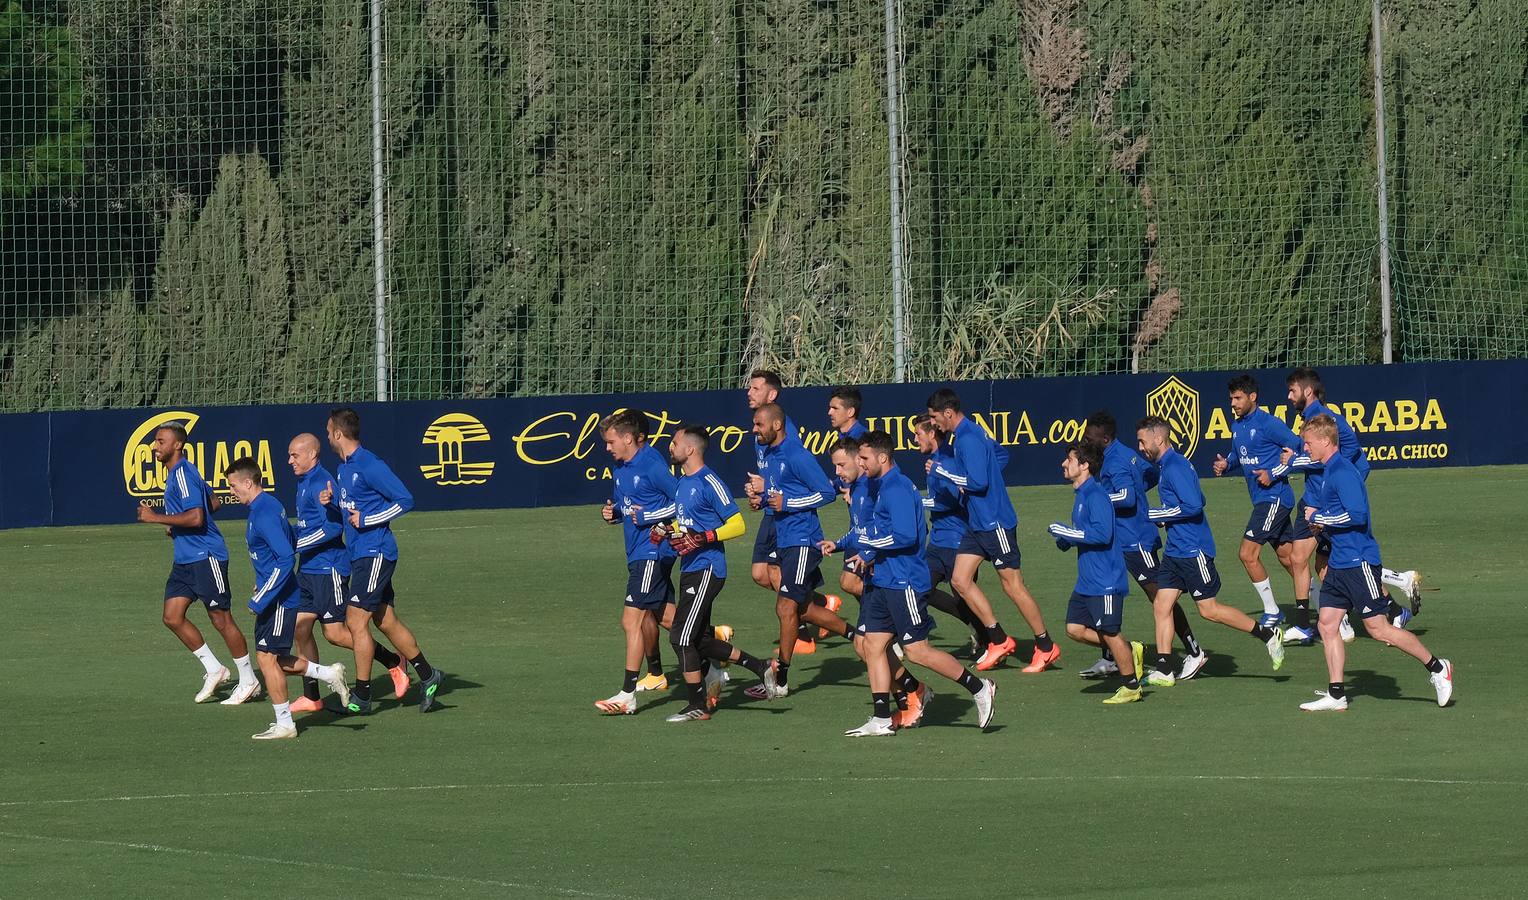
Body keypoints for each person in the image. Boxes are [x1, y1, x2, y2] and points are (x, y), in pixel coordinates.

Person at [828, 431, 996, 737]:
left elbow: (905, 536)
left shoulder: (897, 489)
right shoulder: (877, 485)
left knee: (917, 651)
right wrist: (841, 545)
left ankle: (980, 687)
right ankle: (881, 718)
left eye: (864, 458)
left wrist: (870, 544)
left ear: (882, 457)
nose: (860, 464)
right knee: (871, 645)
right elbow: (868, 529)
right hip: (881, 579)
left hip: (903, 581)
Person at [1294, 415, 1452, 711]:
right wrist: (1321, 522)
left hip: (1360, 562)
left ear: (1326, 440)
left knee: (1378, 629)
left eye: (1308, 441)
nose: (1305, 446)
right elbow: (1338, 516)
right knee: (1327, 625)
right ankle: (1337, 694)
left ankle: (1437, 668)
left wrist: (1318, 518)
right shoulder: (1328, 471)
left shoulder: (1342, 472)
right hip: (1339, 563)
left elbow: (1357, 516)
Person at [1136, 416, 1286, 683]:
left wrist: (1159, 514)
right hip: (1175, 551)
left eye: (1142, 441)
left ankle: (1267, 634)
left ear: (1159, 439)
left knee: (1209, 610)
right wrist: (1165, 515)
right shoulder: (1171, 465)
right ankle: (1165, 668)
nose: (1140, 447)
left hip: (1194, 551)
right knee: (1161, 604)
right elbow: (1199, 497)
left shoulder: (1174, 467)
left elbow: (1194, 505)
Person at [1282, 368, 1423, 634]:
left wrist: (1296, 465)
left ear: (1307, 391)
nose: (1289, 396)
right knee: (1318, 562)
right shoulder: (1311, 418)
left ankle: (1320, 623)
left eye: (1293, 390)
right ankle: (1392, 605)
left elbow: (1351, 459)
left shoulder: (1326, 420)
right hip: (1315, 501)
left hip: (1323, 505)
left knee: (1325, 561)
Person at [926, 388, 1056, 672]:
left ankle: (1046, 646)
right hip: (977, 523)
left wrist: (944, 472)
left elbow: (979, 483)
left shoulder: (969, 438)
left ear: (948, 413)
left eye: (935, 418)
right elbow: (999, 456)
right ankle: (997, 639)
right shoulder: (968, 434)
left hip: (995, 522)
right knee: (960, 580)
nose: (933, 424)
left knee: (1013, 586)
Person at [327, 407, 444, 713]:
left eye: (329, 432)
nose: (328, 437)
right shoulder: (343, 468)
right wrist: (329, 504)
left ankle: (363, 697)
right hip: (361, 555)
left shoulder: (369, 464)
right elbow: (348, 511)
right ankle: (429, 676)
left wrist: (367, 519)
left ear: (338, 434)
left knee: (355, 620)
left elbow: (405, 500)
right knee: (386, 621)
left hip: (375, 551)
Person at [660, 424, 780, 722]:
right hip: (690, 568)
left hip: (708, 569)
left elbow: (737, 523)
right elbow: (689, 524)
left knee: (680, 637)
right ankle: (760, 666)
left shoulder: (709, 481)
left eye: (674, 442)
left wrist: (703, 538)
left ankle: (696, 704)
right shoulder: (682, 483)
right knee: (698, 638)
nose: (670, 447)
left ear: (690, 449)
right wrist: (666, 530)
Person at [134, 422, 260, 705]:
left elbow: (198, 517)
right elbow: (213, 503)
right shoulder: (183, 473)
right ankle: (215, 669)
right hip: (186, 559)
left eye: (161, 441)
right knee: (172, 616)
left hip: (206, 556)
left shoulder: (182, 474)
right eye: (155, 441)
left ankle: (249, 679)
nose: (156, 446)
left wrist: (157, 518)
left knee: (221, 618)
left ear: (177, 445)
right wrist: (176, 523)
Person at [224, 457, 350, 740]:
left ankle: (286, 724)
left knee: (267, 658)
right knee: (271, 658)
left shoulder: (264, 513)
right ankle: (328, 674)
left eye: (233, 486)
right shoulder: (265, 506)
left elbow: (284, 559)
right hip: (274, 594)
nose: (232, 491)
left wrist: (262, 597)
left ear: (248, 482)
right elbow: (283, 548)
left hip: (280, 598)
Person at [286, 433, 409, 714]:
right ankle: (312, 696)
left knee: (336, 633)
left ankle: (393, 662)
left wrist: (295, 545)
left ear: (312, 455)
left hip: (328, 568)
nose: (289, 460)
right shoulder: (303, 483)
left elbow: (333, 528)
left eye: (295, 455)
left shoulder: (321, 481)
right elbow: (307, 526)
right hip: (306, 568)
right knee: (300, 628)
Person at [1081, 411, 1205, 681]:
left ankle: (1194, 651)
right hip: (1118, 539)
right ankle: (1111, 657)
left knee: (1160, 597)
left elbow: (1126, 498)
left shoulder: (1116, 461)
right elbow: (1148, 475)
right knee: (1108, 593)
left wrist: (1102, 499)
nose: (1085, 442)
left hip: (1135, 540)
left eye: (1089, 438)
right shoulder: (1119, 456)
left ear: (1104, 438)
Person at [753, 402, 854, 696]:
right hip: (783, 539)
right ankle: (857, 635)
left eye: (759, 424)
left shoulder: (797, 455)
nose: (754, 429)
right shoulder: (770, 455)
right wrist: (762, 498)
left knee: (785, 606)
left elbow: (825, 493)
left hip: (802, 540)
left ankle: (780, 678)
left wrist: (789, 503)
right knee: (805, 609)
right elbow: (780, 493)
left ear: (776, 425)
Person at [742, 371, 838, 655]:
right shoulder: (760, 429)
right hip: (774, 513)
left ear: (772, 396)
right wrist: (760, 494)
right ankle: (820, 604)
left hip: (790, 520)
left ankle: (802, 635)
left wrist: (778, 496)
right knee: (761, 574)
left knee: (774, 575)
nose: (749, 392)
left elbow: (798, 478)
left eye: (756, 388)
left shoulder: (784, 434)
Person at [594, 409, 681, 714]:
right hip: (637, 552)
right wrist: (614, 513)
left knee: (631, 620)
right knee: (666, 617)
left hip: (653, 551)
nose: (607, 448)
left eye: (610, 441)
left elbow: (681, 501)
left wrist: (648, 517)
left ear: (628, 439)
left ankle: (627, 693)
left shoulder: (652, 464)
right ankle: (718, 653)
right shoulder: (621, 468)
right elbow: (629, 505)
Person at [1047, 442, 1145, 704]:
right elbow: (1086, 532)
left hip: (1105, 581)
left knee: (1111, 633)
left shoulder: (1096, 495)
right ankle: (1126, 648)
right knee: (1074, 629)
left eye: (1069, 459)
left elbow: (1102, 535)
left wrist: (1067, 532)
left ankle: (1131, 686)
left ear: (1085, 465)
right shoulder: (1081, 495)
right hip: (1087, 580)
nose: (1063, 464)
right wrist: (1066, 540)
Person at [1210, 375, 1306, 637]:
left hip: (1275, 498)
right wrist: (1226, 464)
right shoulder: (1238, 425)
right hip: (1262, 500)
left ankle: (1272, 611)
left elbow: (1298, 448)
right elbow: (1239, 455)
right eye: (1231, 398)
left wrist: (1273, 473)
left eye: (1238, 398)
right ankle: (1321, 605)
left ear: (1253, 397)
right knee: (1289, 559)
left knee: (1247, 554)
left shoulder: (1269, 424)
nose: (1233, 403)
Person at [912, 415, 987, 658]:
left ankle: (992, 642)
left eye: (918, 434)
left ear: (932, 434)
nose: (914, 440)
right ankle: (979, 630)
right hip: (937, 542)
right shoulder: (934, 459)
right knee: (920, 587)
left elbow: (957, 499)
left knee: (965, 597)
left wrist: (919, 502)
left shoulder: (949, 460)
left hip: (958, 542)